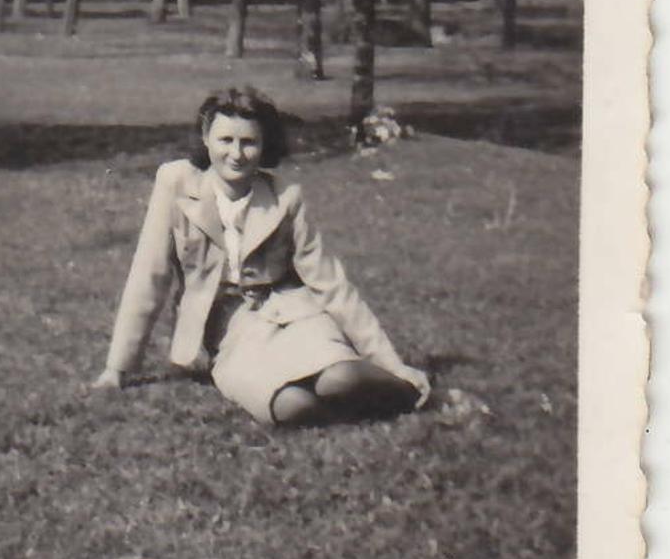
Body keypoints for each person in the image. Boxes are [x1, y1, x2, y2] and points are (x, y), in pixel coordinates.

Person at [92, 86, 430, 426]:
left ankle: (406, 392)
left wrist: (390, 362)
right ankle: (357, 408)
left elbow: (331, 284)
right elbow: (149, 275)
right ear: (206, 138)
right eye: (226, 140)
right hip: (229, 333)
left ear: (265, 143)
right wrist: (117, 368)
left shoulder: (286, 196)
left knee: (340, 379)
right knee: (291, 406)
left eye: (248, 142)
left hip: (295, 316)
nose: (236, 154)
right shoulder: (175, 182)